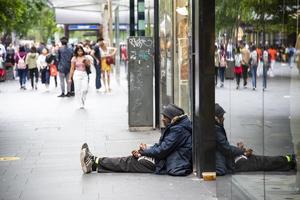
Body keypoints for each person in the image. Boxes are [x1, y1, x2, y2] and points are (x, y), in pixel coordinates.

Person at [80, 104, 193, 176]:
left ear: (172, 118)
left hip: (167, 164)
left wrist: (142, 152)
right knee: (128, 161)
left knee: (129, 162)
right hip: (165, 160)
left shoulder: (178, 130)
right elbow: (164, 146)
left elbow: (162, 150)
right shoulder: (179, 128)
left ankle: (95, 162)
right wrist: (148, 148)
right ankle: (95, 162)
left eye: (165, 117)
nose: (162, 119)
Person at [215, 103, 296, 176]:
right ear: (215, 118)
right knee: (262, 162)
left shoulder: (214, 129)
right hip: (233, 163)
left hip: (233, 159)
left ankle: (289, 161)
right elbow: (226, 149)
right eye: (221, 116)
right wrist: (242, 151)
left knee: (263, 161)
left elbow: (223, 147)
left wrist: (239, 150)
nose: (223, 118)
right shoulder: (216, 130)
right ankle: (290, 161)